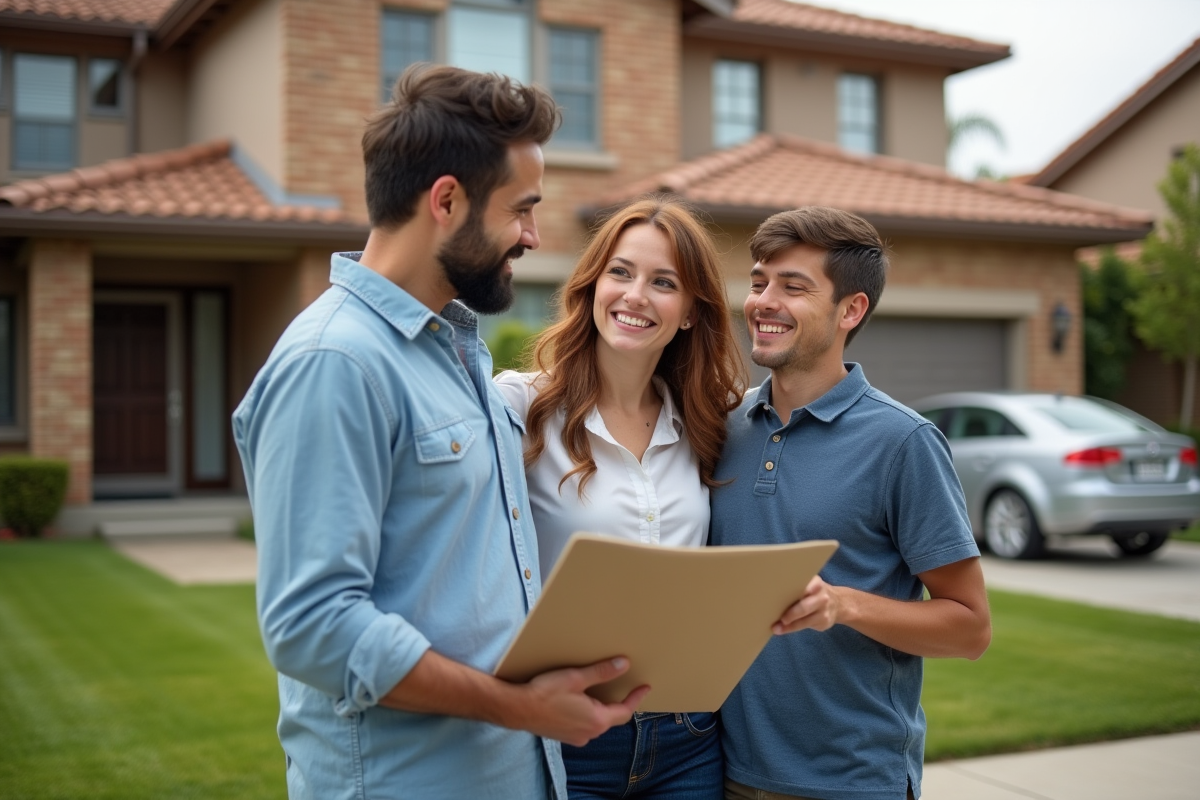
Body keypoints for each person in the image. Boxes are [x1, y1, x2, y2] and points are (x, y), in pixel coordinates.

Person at [232, 65, 649, 800]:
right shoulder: (335, 363)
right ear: (447, 201)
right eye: (522, 209)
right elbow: (313, 625)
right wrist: (518, 707)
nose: (532, 235)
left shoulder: (452, 349)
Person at [710, 206, 992, 800]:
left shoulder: (903, 442)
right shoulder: (722, 427)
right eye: (759, 282)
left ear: (851, 310)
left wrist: (842, 604)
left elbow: (969, 628)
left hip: (851, 781)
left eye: (793, 287)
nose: (764, 302)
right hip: (722, 771)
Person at [494, 196, 745, 799]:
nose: (635, 296)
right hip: (568, 733)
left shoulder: (710, 421)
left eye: (664, 283)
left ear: (690, 312)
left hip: (687, 737)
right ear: (592, 285)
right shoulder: (521, 406)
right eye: (621, 272)